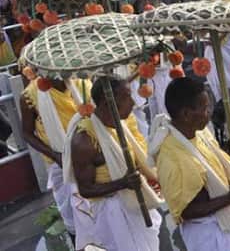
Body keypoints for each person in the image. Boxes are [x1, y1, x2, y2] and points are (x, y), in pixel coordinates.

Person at [150, 77, 230, 251]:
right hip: (206, 235)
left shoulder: (200, 133)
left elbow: (219, 173)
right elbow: (185, 212)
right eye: (205, 108)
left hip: (227, 222)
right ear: (186, 114)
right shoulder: (172, 157)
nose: (209, 112)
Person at [64, 76, 162, 251]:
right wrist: (122, 183)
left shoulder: (120, 125)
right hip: (113, 214)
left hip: (134, 206)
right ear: (107, 101)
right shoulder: (85, 139)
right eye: (126, 97)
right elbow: (85, 189)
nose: (132, 102)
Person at [20, 78, 90, 243]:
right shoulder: (30, 96)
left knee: (99, 212)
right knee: (72, 215)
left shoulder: (83, 84)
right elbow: (27, 133)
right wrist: (55, 155)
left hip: (91, 158)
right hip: (59, 163)